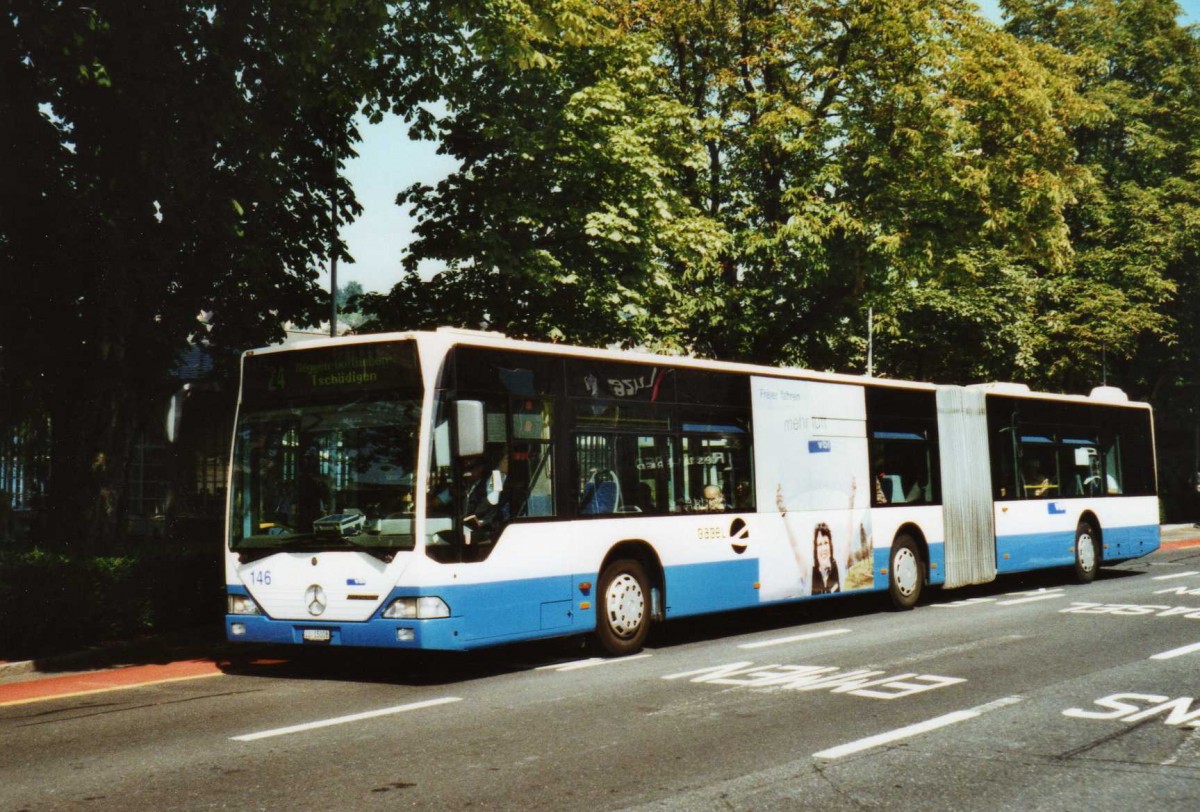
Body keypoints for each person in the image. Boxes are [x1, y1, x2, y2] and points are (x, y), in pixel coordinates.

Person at [811, 522, 841, 594]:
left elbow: (848, 537)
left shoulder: (839, 569)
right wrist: (784, 516)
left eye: (826, 543)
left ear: (830, 545)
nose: (823, 548)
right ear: (816, 549)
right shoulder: (811, 573)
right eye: (820, 544)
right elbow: (795, 547)